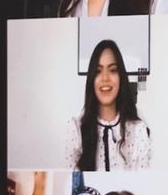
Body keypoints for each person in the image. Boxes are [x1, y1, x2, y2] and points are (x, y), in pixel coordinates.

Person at [62, 40, 153, 171]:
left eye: (113, 70)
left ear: (121, 76)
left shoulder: (138, 131)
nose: (105, 78)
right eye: (98, 71)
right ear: (91, 79)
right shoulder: (76, 129)